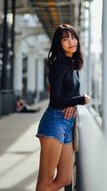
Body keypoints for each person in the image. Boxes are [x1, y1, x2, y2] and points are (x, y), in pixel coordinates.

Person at [35, 23, 91, 191]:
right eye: (65, 39)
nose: (70, 41)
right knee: (46, 180)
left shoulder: (74, 66)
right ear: (59, 44)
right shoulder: (58, 65)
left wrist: (74, 103)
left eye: (72, 37)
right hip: (54, 122)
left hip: (67, 123)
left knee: (66, 178)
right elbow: (55, 100)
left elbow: (69, 96)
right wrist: (81, 100)